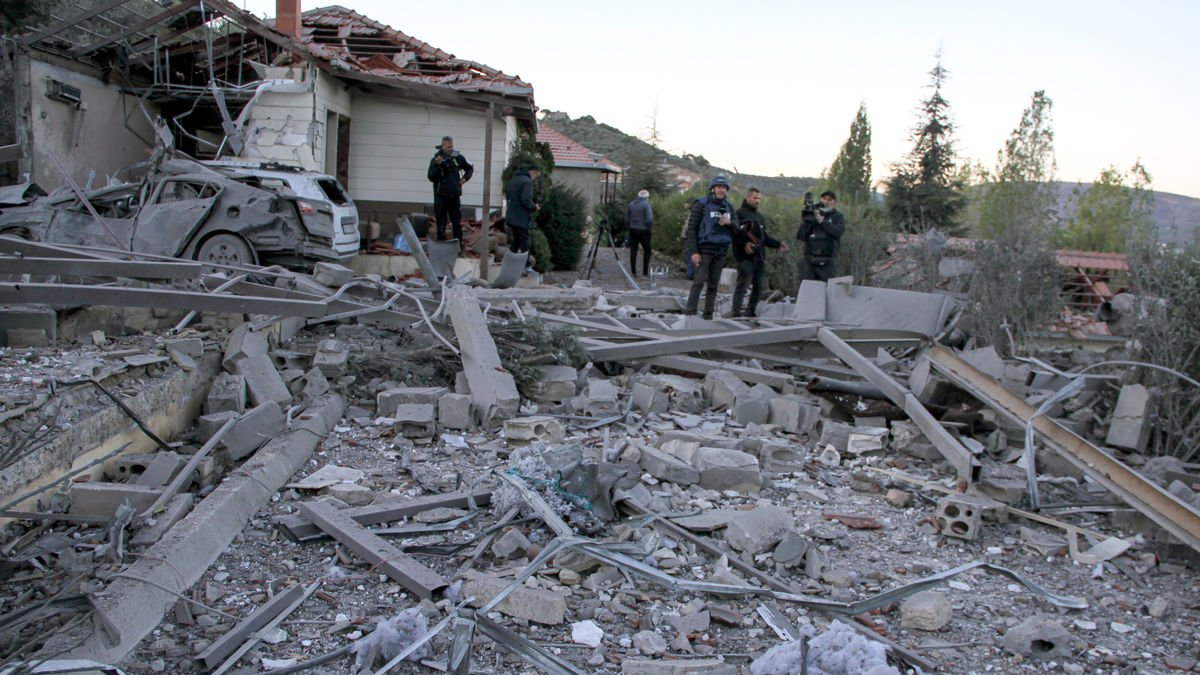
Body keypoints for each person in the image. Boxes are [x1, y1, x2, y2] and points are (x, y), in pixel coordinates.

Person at [684, 175, 736, 319]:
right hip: (703, 251)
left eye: (724, 188)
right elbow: (692, 230)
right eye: (719, 187)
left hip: (720, 252)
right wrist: (693, 252)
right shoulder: (701, 204)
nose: (721, 190)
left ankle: (708, 315)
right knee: (698, 282)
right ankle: (690, 314)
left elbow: (737, 230)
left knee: (713, 286)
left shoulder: (729, 207)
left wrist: (730, 223)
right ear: (713, 188)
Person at [732, 187, 787, 317]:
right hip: (745, 258)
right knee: (743, 285)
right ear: (747, 198)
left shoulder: (759, 217)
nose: (757, 201)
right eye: (754, 198)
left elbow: (764, 238)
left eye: (759, 198)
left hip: (759, 257)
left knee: (759, 286)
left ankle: (750, 310)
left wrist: (778, 244)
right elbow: (734, 234)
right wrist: (744, 244)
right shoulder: (738, 214)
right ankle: (736, 312)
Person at [426, 136, 474, 248]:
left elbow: (470, 168)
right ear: (443, 146)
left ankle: (458, 248)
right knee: (441, 223)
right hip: (440, 196)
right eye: (448, 147)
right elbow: (431, 177)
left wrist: (465, 179)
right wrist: (437, 166)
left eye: (452, 146)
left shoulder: (457, 157)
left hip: (454, 195)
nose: (450, 149)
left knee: (456, 223)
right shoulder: (436, 159)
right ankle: (441, 247)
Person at [797, 190, 846, 281]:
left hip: (827, 261)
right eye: (824, 199)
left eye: (829, 200)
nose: (826, 202)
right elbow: (802, 236)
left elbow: (837, 232)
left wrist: (823, 222)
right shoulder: (813, 214)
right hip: (810, 260)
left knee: (827, 289)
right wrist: (807, 221)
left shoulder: (838, 216)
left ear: (834, 202)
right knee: (808, 288)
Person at [505, 165, 539, 255]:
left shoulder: (514, 179)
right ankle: (526, 264)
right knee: (525, 240)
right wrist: (534, 207)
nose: (535, 178)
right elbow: (526, 200)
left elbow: (508, 196)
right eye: (536, 175)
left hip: (511, 216)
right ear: (534, 172)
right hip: (521, 217)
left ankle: (509, 261)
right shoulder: (528, 182)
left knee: (517, 240)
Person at [626, 189, 654, 276]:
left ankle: (633, 271)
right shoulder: (646, 205)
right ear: (647, 197)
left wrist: (629, 227)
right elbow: (649, 219)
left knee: (633, 251)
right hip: (644, 230)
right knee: (647, 251)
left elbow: (626, 218)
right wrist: (649, 229)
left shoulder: (631, 204)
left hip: (633, 229)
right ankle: (645, 272)